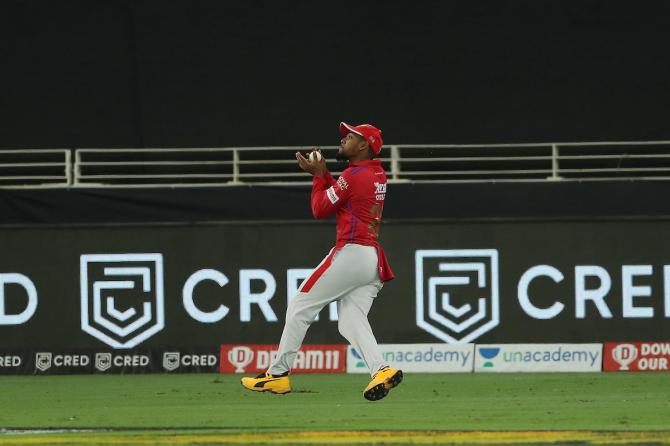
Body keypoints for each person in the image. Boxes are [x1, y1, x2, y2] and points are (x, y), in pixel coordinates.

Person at [241, 122, 402, 401]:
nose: (343, 140)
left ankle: (277, 375)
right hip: (371, 258)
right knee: (351, 321)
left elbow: (320, 209)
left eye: (350, 137)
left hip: (351, 253)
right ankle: (382, 370)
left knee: (300, 305)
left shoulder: (353, 175)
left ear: (364, 145)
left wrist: (318, 176)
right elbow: (341, 199)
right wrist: (325, 174)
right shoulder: (375, 172)